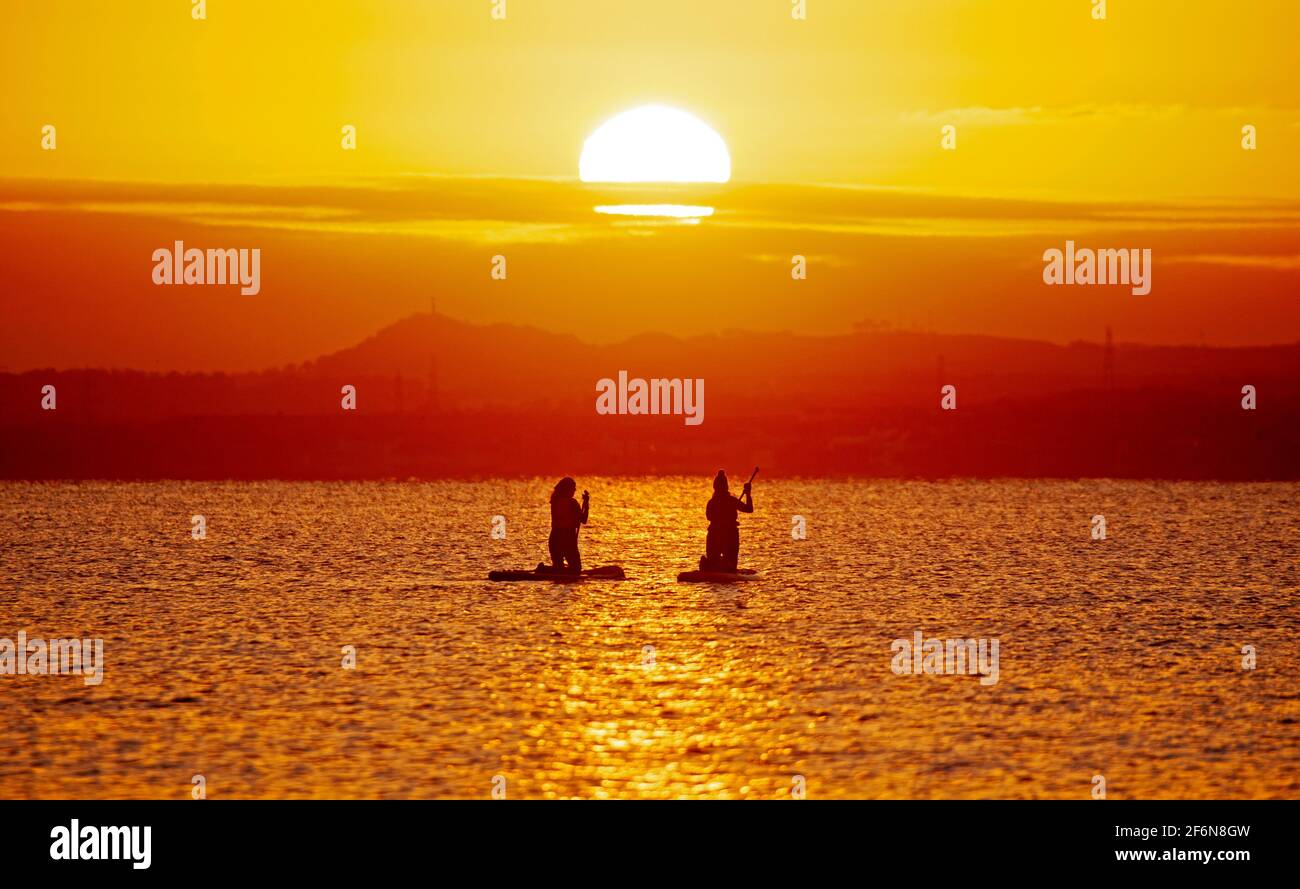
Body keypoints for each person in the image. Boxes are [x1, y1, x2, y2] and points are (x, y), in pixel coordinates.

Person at [701, 469, 752, 572]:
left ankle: (719, 564)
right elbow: (749, 509)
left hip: (726, 534)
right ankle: (717, 564)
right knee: (723, 564)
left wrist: (747, 493)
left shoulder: (714, 502)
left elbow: (749, 510)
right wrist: (748, 494)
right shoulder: (724, 501)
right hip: (722, 534)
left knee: (726, 564)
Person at [548, 477, 589, 574]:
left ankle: (546, 569)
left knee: (558, 568)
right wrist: (586, 503)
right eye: (573, 488)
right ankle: (544, 569)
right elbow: (583, 520)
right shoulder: (572, 503)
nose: (575, 490)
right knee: (576, 569)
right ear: (567, 489)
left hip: (554, 538)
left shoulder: (555, 501)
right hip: (567, 538)